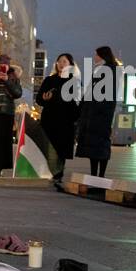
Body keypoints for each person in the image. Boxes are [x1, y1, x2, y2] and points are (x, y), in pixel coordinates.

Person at [75, 46, 121, 178]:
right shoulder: (100, 70)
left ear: (102, 55)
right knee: (93, 146)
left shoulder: (110, 70)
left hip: (101, 114)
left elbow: (108, 94)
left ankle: (100, 175)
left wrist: (97, 108)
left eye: (96, 55)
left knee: (100, 145)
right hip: (93, 114)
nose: (94, 57)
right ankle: (94, 175)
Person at [36, 53, 79, 181]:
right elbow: (39, 99)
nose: (61, 64)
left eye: (64, 61)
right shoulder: (49, 80)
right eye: (59, 61)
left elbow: (77, 102)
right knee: (49, 147)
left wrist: (75, 117)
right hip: (49, 119)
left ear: (70, 65)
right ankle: (52, 172)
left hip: (65, 120)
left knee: (61, 149)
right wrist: (45, 99)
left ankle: (58, 173)